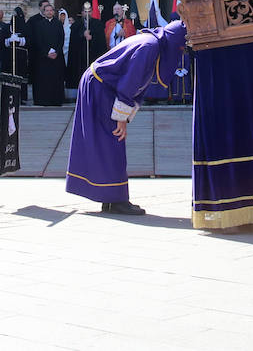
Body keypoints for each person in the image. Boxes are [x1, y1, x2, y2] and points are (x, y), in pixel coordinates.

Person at [66, 19, 188, 214]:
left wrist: (125, 116)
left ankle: (110, 196)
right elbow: (129, 84)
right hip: (100, 87)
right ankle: (117, 200)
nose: (181, 52)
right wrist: (121, 118)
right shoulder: (150, 46)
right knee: (113, 140)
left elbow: (137, 86)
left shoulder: (151, 42)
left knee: (109, 142)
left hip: (100, 86)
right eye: (181, 47)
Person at [26, 0, 65, 106]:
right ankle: (43, 100)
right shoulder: (39, 24)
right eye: (47, 10)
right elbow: (38, 41)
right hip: (43, 58)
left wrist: (56, 52)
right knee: (43, 80)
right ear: (43, 12)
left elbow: (61, 39)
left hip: (56, 57)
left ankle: (56, 101)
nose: (49, 12)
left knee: (56, 80)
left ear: (53, 12)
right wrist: (46, 53)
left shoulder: (58, 24)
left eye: (51, 10)